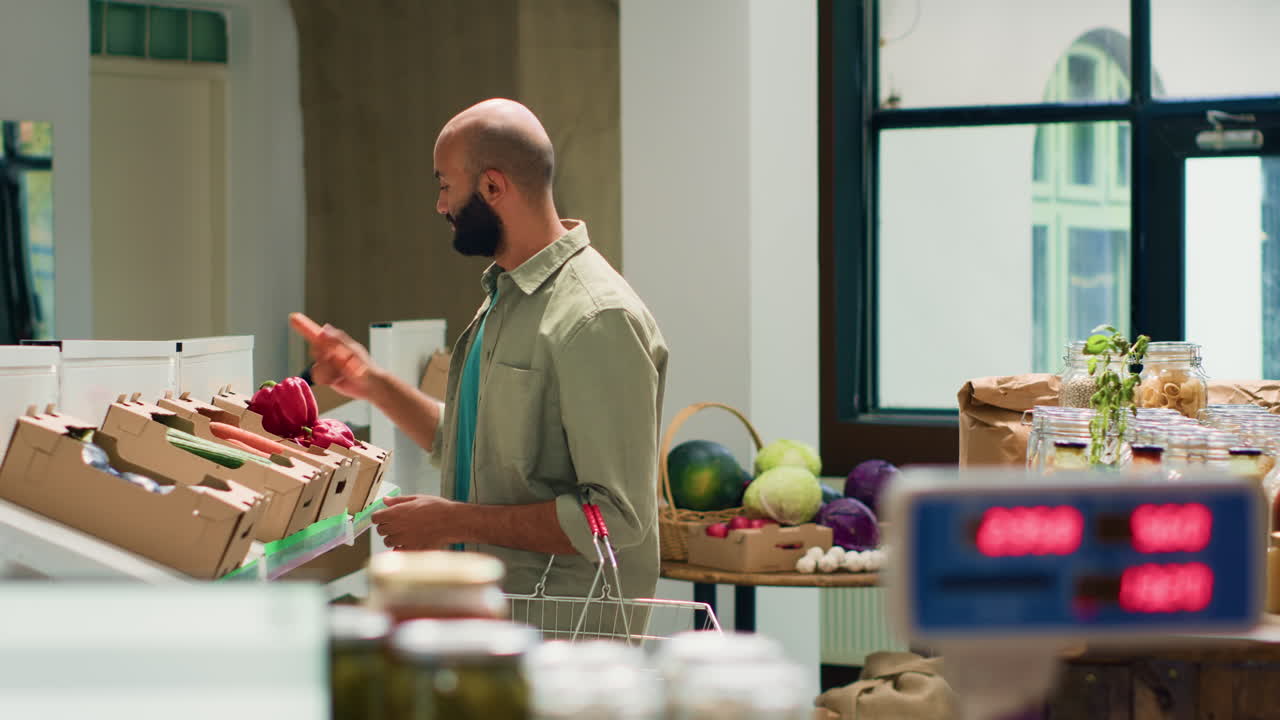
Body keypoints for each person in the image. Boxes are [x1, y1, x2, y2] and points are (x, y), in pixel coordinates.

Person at [291, 98, 668, 609]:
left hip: (564, 637)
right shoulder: (506, 297)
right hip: (500, 620)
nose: (440, 205)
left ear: (492, 187)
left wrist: (453, 521)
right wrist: (371, 382)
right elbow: (471, 444)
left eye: (446, 186)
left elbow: (617, 518)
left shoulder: (597, 318)